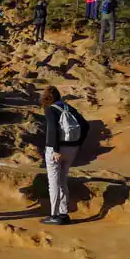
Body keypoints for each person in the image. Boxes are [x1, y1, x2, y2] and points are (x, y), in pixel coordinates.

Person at [41, 86, 89, 225]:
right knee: (63, 181)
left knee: (53, 183)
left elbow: (53, 130)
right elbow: (85, 126)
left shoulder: (50, 109)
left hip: (56, 150)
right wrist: (78, 144)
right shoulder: (68, 108)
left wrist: (55, 149)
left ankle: (54, 215)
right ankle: (64, 214)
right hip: (71, 149)